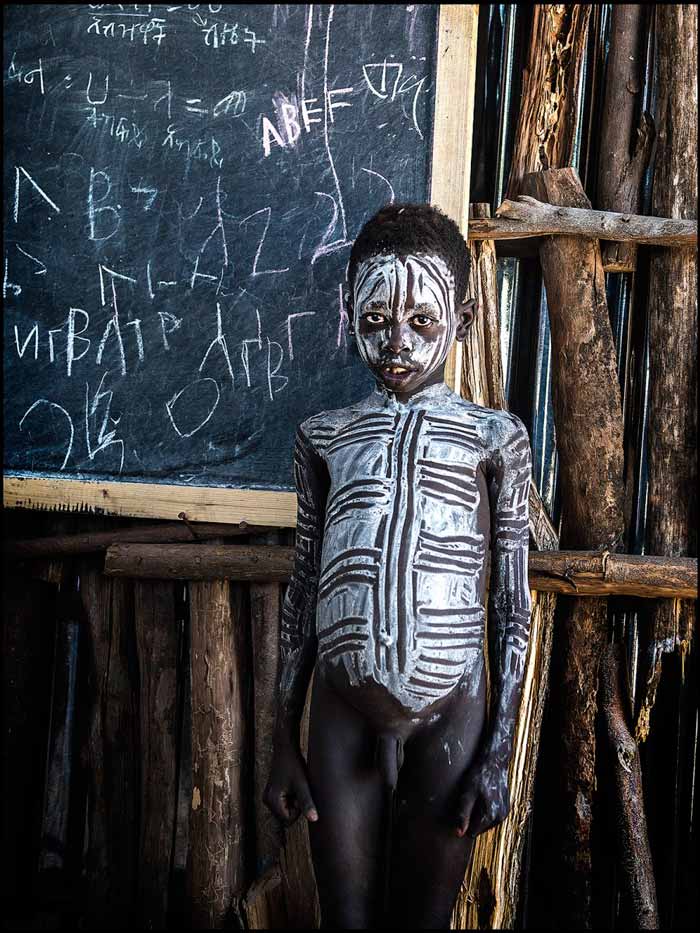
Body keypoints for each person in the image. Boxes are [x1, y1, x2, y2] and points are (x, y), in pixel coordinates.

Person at [264, 203, 532, 929]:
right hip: (341, 710)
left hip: (454, 710)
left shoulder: (495, 439)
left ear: (466, 316)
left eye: (422, 320)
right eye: (378, 320)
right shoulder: (323, 436)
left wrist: (499, 750)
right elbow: (302, 593)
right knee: (344, 920)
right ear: (349, 313)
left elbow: (513, 607)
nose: (398, 343)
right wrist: (281, 739)